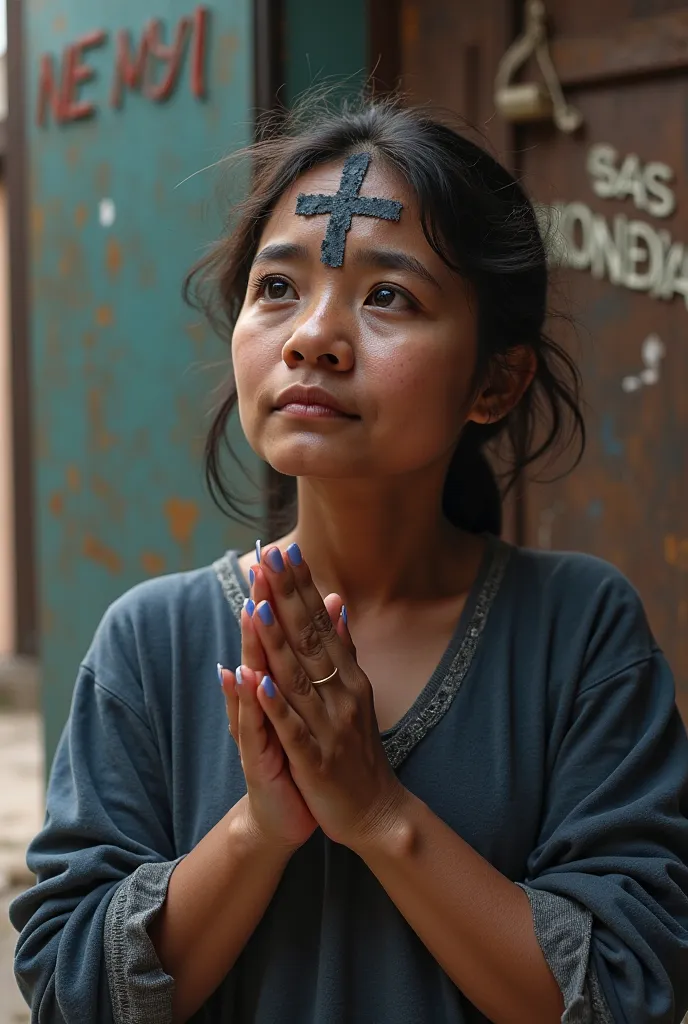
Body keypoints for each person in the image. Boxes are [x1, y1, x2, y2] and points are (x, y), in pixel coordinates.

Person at [11, 95, 688, 1024]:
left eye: (388, 297)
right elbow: (67, 989)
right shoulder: (152, 643)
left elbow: (631, 989)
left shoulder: (578, 633)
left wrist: (377, 813)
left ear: (496, 379)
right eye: (277, 288)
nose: (312, 337)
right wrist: (258, 827)